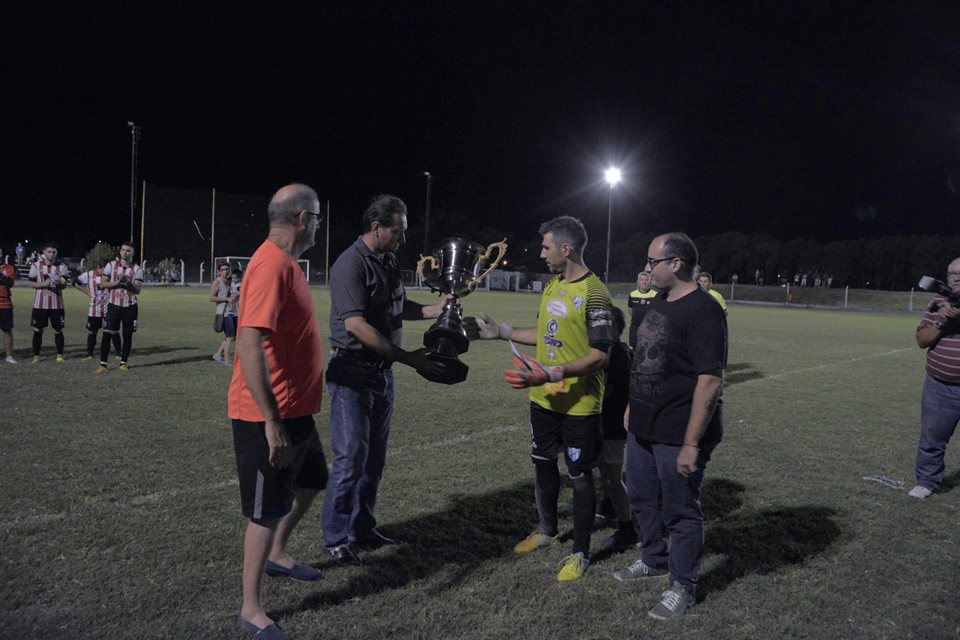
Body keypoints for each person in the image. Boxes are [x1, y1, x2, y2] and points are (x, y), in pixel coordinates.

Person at [477, 215, 613, 583]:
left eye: (546, 247)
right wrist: (501, 331)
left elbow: (601, 355)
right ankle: (546, 530)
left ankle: (580, 552)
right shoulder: (553, 285)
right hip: (543, 399)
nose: (541, 253)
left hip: (579, 405)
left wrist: (553, 373)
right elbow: (544, 333)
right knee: (541, 464)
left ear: (565, 249)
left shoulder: (595, 293)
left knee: (580, 477)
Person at [321, 194, 447, 566]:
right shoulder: (350, 264)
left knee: (374, 460)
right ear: (377, 229)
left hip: (381, 376)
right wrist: (409, 359)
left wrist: (437, 310)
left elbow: (398, 308)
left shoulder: (388, 260)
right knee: (351, 457)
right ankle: (334, 539)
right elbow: (356, 325)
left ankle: (363, 529)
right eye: (398, 232)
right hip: (351, 373)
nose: (403, 240)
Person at [229, 184, 329, 640]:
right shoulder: (270, 264)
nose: (320, 227)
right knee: (265, 511)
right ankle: (251, 610)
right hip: (268, 414)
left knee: (312, 481)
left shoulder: (286, 263)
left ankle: (278, 554)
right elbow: (249, 342)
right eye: (319, 218)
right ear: (303, 219)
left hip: (296, 410)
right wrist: (271, 420)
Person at [614, 232, 726, 620]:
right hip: (643, 423)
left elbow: (710, 379)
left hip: (679, 430)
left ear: (675, 263)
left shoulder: (705, 310)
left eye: (652, 262)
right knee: (643, 497)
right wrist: (632, 404)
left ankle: (683, 586)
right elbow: (644, 358)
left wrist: (692, 442)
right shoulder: (658, 302)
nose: (647, 269)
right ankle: (654, 558)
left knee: (680, 509)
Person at [908, 257, 960, 499]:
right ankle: (927, 481)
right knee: (932, 438)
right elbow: (922, 341)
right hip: (940, 387)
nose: (956, 278)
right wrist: (943, 321)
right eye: (952, 274)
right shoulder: (938, 302)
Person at [595, 305, 637, 549]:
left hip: (612, 426)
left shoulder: (617, 354)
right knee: (604, 473)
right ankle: (609, 508)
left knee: (612, 475)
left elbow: (611, 392)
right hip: (609, 424)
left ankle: (627, 527)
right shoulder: (616, 350)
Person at [97, 242, 144, 372]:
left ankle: (123, 363)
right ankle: (102, 365)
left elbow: (137, 291)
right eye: (123, 250)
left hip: (130, 306)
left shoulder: (137, 270)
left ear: (133, 253)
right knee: (107, 333)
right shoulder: (111, 266)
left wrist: (128, 282)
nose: (124, 252)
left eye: (128, 251)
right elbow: (102, 285)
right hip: (113, 305)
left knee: (127, 335)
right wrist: (117, 282)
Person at [28, 242, 68, 363]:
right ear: (44, 252)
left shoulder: (62, 267)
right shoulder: (35, 266)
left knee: (58, 330)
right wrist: (42, 284)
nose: (51, 254)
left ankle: (59, 355)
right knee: (38, 330)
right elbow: (30, 283)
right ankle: (36, 356)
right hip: (40, 305)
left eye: (54, 252)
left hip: (57, 305)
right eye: (49, 252)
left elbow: (64, 285)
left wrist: (59, 284)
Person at [74, 263, 120, 360]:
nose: (106, 271)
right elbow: (75, 282)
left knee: (113, 330)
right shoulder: (88, 275)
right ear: (98, 267)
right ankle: (89, 354)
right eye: (104, 268)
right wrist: (87, 292)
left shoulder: (110, 276)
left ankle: (118, 353)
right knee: (92, 332)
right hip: (94, 309)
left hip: (109, 307)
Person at [210, 263, 239, 364]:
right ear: (219, 271)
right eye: (223, 269)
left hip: (234, 311)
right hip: (224, 313)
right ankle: (227, 359)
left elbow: (234, 293)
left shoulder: (231, 281)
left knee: (233, 336)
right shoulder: (217, 282)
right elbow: (211, 297)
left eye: (227, 269)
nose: (225, 271)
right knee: (230, 337)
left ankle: (218, 355)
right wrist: (226, 298)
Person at [0, 257, 17, 363]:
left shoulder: (8, 268)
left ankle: (9, 356)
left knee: (7, 330)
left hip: (4, 303)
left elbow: (10, 283)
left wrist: (1, 276)